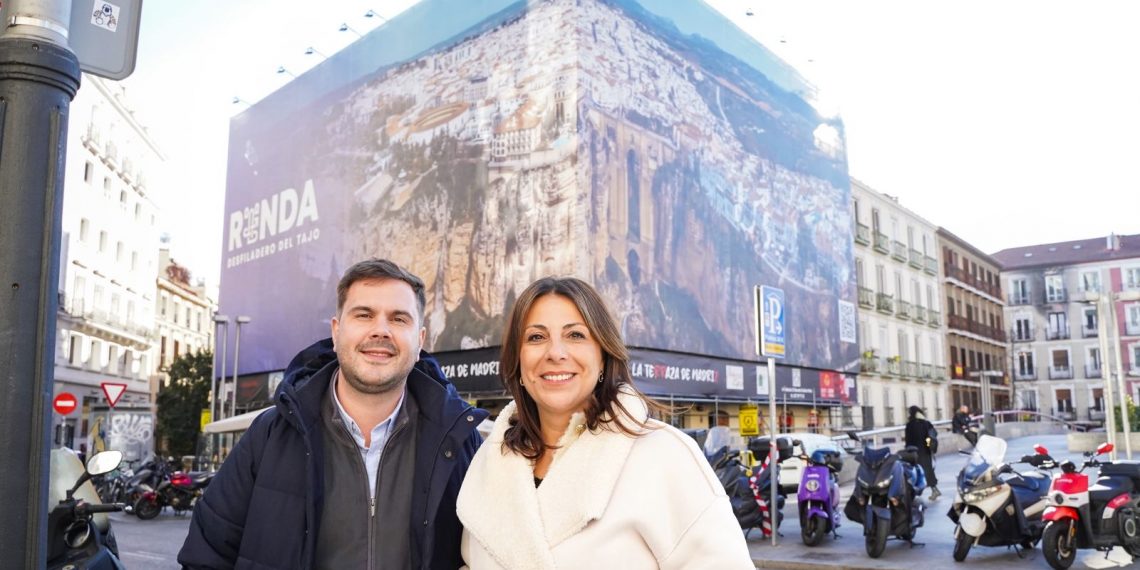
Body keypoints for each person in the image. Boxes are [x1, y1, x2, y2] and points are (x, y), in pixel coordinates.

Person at [178, 259, 488, 569]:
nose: (380, 330)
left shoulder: (461, 444)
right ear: (337, 331)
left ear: (419, 341)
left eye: (398, 318)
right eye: (364, 315)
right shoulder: (270, 437)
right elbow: (206, 557)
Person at [456, 277, 753, 569]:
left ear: (603, 356)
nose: (555, 353)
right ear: (517, 361)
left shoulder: (664, 455)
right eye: (536, 337)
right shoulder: (489, 461)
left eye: (575, 335)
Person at [905, 405, 940, 500]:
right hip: (925, 451)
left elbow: (908, 440)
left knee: (915, 472)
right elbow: (930, 437)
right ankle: (934, 489)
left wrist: (907, 450)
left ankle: (914, 493)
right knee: (928, 471)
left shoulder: (910, 425)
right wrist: (929, 446)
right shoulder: (926, 423)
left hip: (914, 452)